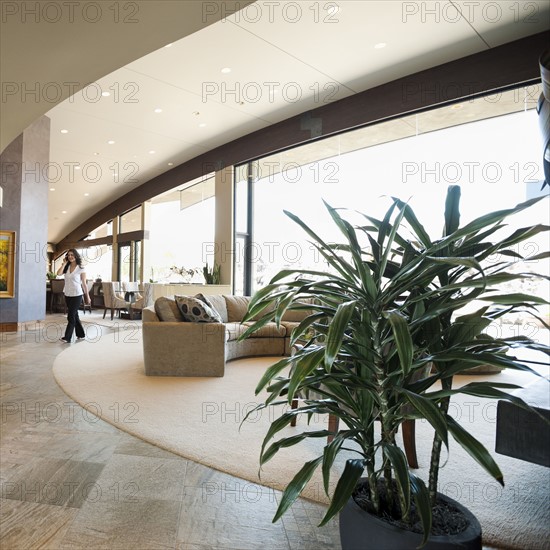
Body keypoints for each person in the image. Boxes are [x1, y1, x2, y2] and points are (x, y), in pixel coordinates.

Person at [56, 249, 91, 343]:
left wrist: (87, 296)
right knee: (75, 315)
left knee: (70, 315)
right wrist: (63, 263)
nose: (70, 256)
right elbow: (58, 274)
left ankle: (67, 337)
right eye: (68, 255)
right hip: (67, 293)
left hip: (77, 294)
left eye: (72, 255)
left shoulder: (81, 268)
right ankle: (81, 334)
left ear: (76, 256)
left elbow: (84, 283)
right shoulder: (66, 267)